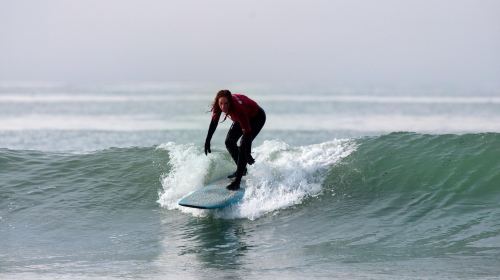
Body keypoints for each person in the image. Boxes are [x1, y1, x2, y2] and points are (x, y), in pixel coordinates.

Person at [204, 90, 266, 190]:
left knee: (243, 145)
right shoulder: (218, 105)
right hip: (242, 117)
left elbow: (248, 133)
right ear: (218, 102)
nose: (223, 107)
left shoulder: (238, 108)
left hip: (256, 117)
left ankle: (237, 181)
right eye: (221, 104)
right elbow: (214, 122)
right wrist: (207, 141)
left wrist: (247, 152)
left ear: (230, 102)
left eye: (226, 104)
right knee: (229, 142)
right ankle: (242, 170)